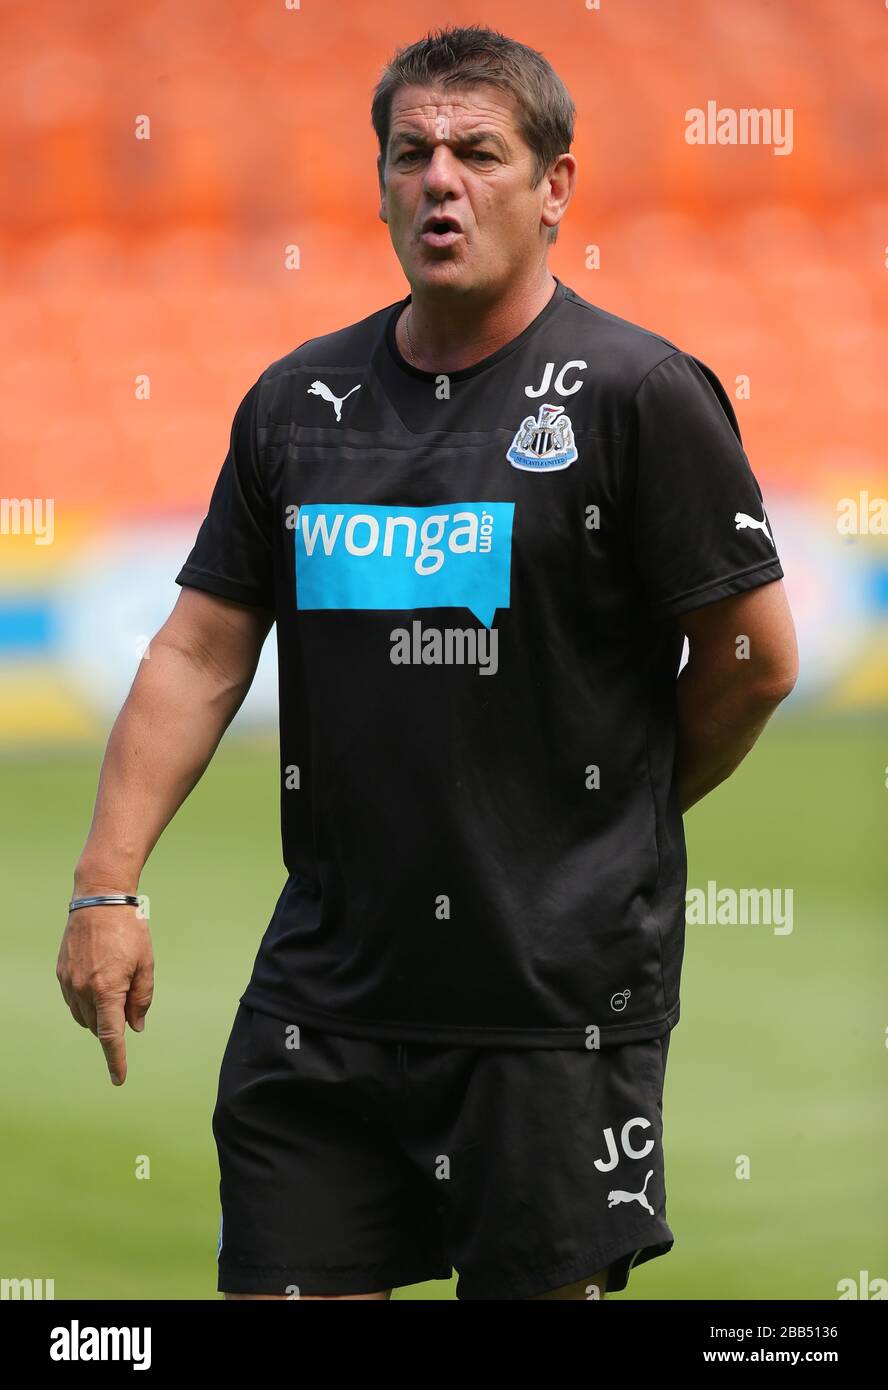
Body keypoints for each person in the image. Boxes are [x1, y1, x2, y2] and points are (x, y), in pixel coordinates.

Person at [57, 25, 798, 1301]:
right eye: (411, 154)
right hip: (325, 1000)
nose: (438, 181)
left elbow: (754, 655)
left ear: (555, 187)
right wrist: (103, 888)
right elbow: (197, 650)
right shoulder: (299, 403)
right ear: (382, 180)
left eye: (477, 153)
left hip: (550, 1007)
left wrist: (620, 802)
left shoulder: (639, 393)